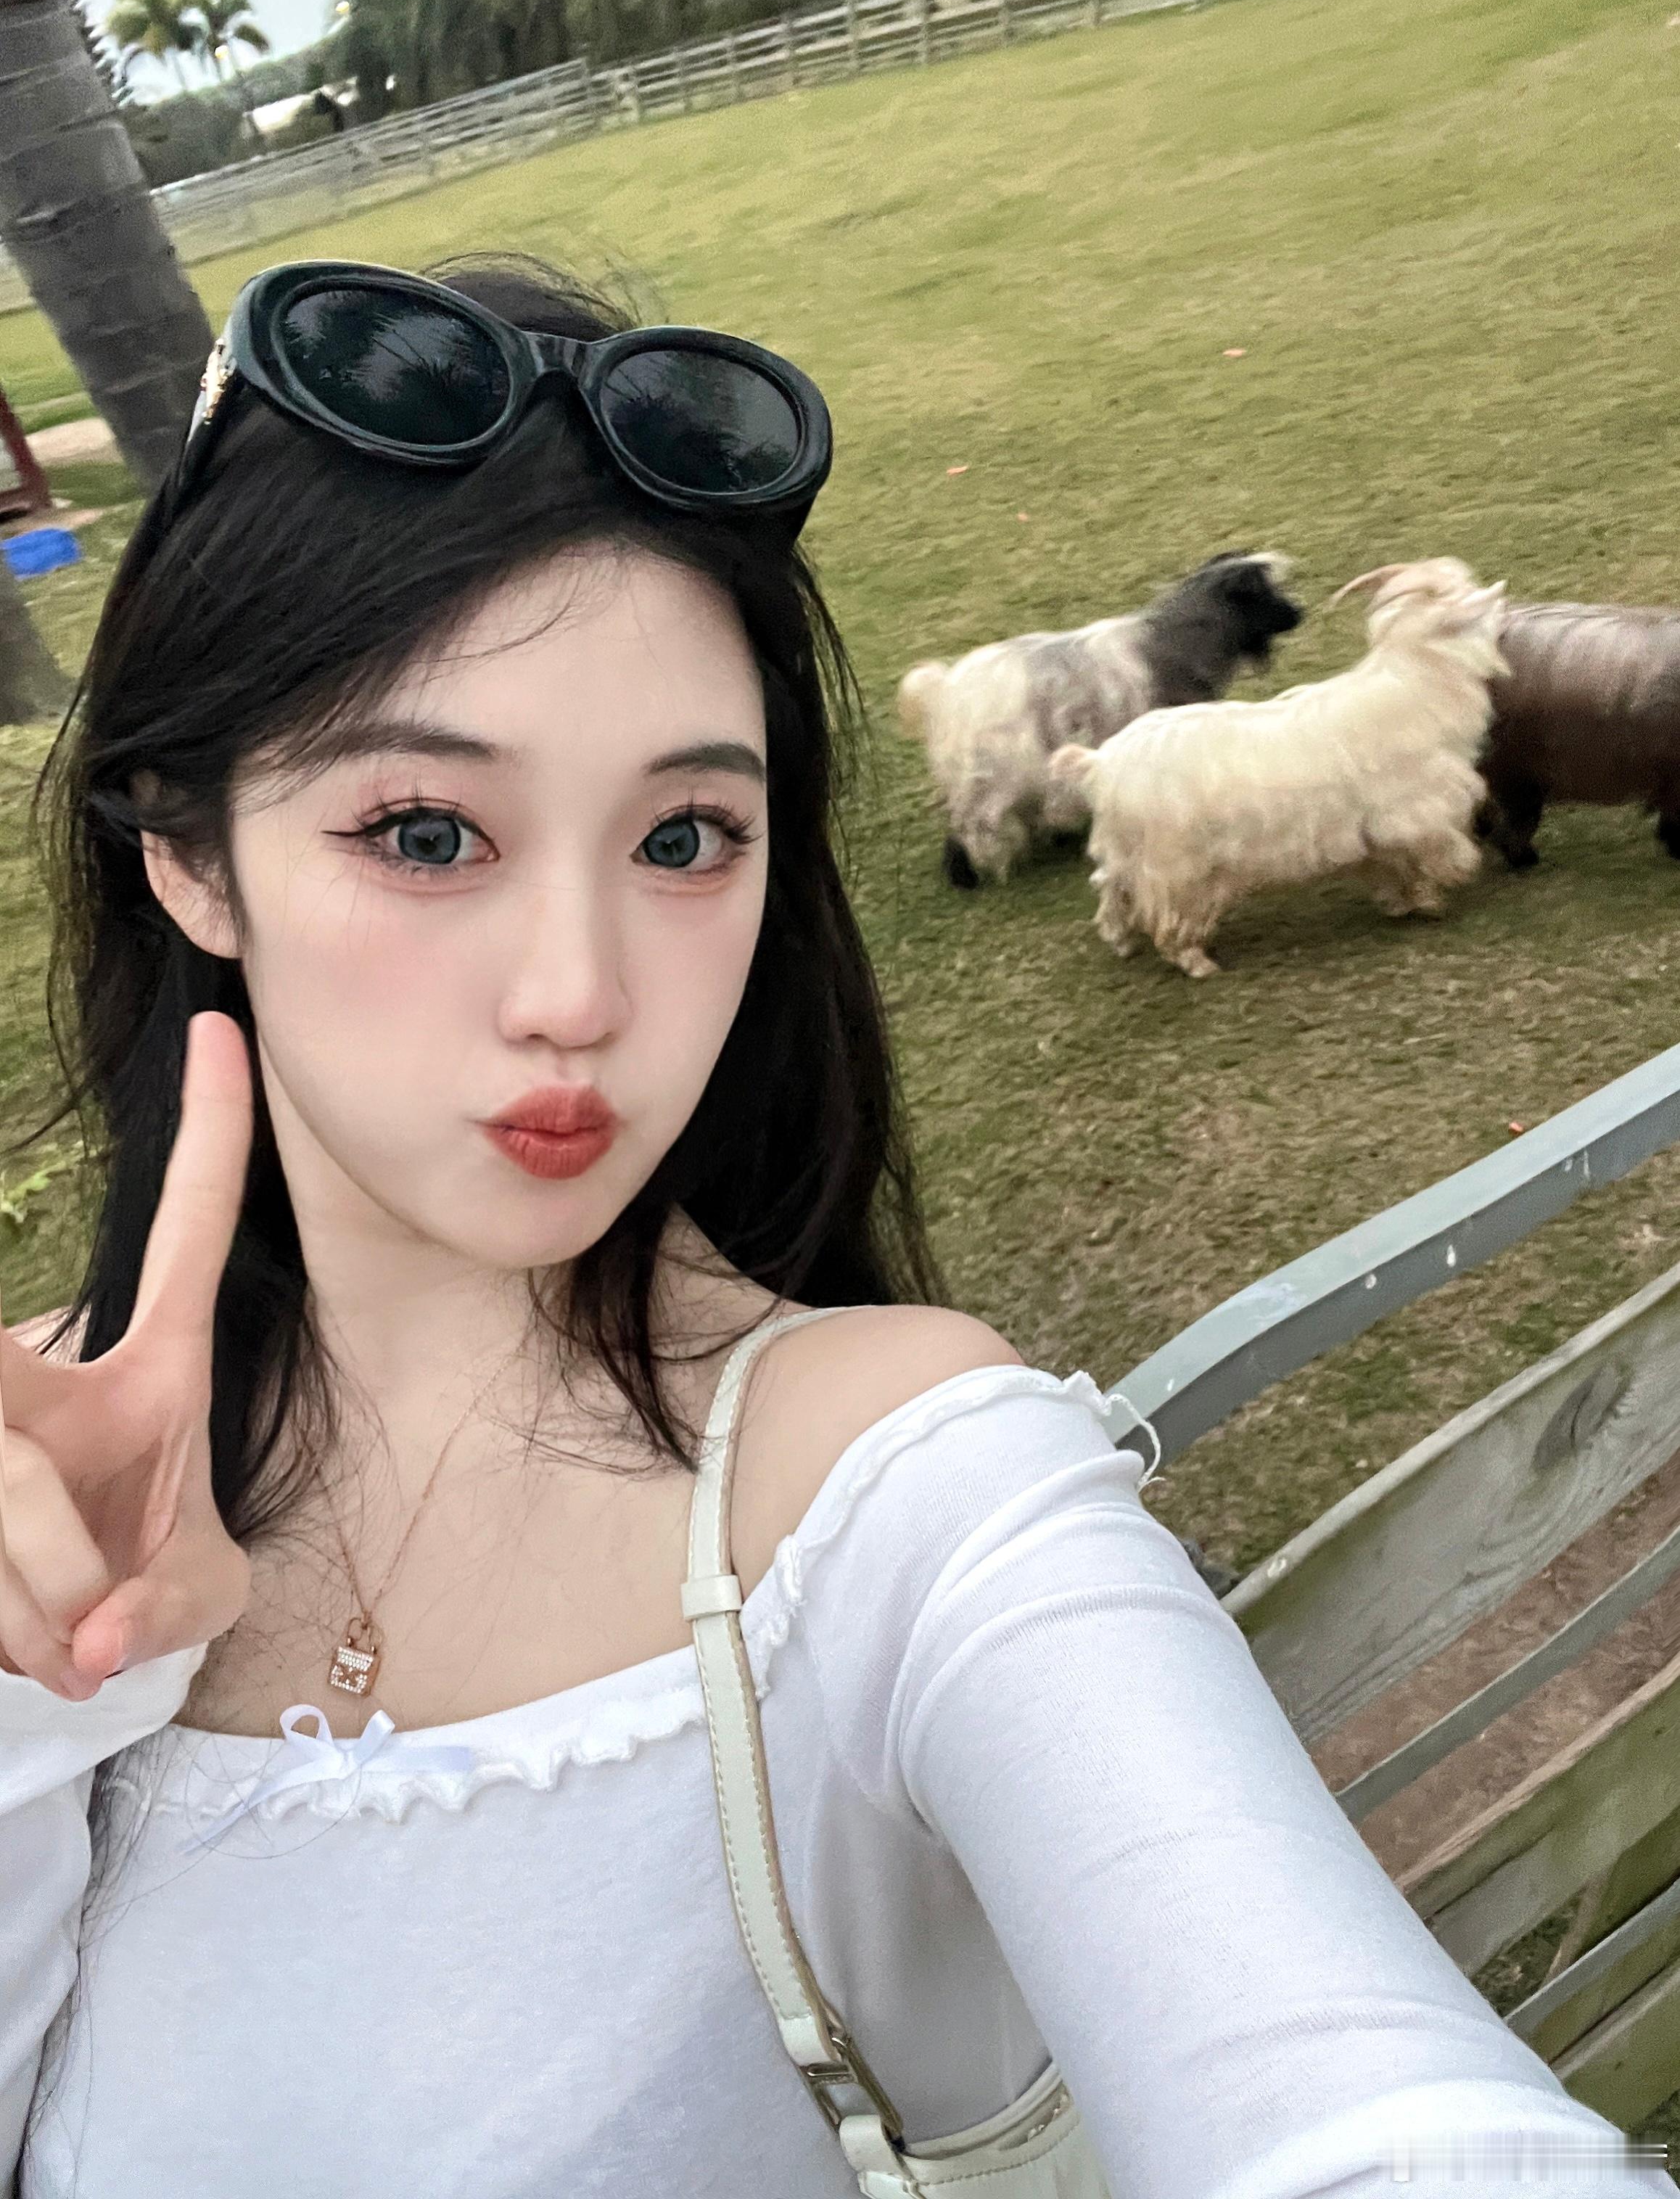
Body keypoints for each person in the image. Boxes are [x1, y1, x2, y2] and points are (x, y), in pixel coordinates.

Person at [0, 252, 1667, 2199]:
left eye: (683, 837)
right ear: (187, 851)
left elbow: (1372, 2126)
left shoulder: (907, 1496)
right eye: (428, 833)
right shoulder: (36, 1479)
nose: (580, 994)